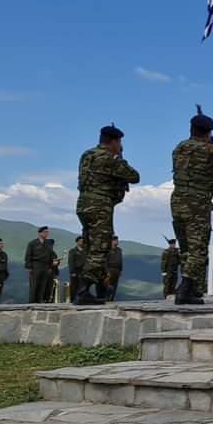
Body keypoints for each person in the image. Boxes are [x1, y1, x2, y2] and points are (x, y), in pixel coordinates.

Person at [171, 107, 213, 305]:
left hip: (177, 201)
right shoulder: (209, 151)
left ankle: (191, 287)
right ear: (209, 132)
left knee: (186, 249)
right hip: (197, 203)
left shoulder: (179, 148)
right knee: (198, 248)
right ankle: (185, 290)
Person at [77, 124, 140, 305]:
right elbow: (134, 176)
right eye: (119, 142)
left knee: (91, 245)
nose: (119, 146)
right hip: (100, 206)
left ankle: (101, 288)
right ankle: (83, 289)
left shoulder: (87, 155)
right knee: (101, 248)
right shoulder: (110, 158)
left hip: (83, 204)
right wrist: (120, 158)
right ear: (113, 142)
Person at [25, 227, 59, 304]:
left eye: (47, 232)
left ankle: (40, 300)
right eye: (45, 232)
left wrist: (51, 266)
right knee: (35, 284)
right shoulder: (32, 243)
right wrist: (29, 267)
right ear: (40, 233)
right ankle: (33, 301)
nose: (46, 233)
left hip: (46, 265)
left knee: (43, 284)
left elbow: (50, 255)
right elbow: (28, 256)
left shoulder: (49, 243)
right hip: (36, 265)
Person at [67, 237, 86, 302]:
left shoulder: (85, 251)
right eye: (80, 241)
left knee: (83, 286)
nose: (82, 242)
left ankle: (82, 300)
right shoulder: (73, 251)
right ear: (77, 242)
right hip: (76, 271)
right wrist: (72, 272)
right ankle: (73, 300)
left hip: (83, 271)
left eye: (82, 241)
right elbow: (71, 262)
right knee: (74, 287)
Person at [107, 236, 123, 301]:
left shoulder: (119, 250)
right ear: (111, 241)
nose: (117, 242)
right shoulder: (107, 250)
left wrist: (120, 270)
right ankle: (107, 299)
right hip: (109, 270)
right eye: (115, 240)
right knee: (108, 286)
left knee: (115, 286)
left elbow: (120, 260)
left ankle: (112, 299)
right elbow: (105, 261)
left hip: (117, 270)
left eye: (117, 241)